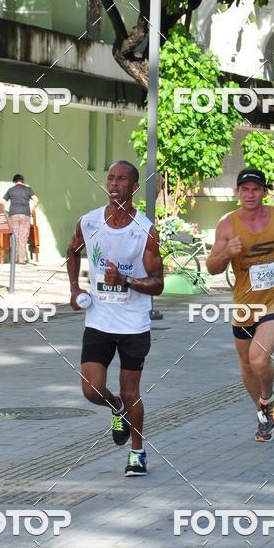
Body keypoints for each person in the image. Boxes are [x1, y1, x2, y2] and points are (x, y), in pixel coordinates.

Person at [67, 161, 164, 476]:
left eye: (122, 179)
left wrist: (127, 281)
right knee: (91, 390)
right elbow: (72, 251)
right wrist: (73, 288)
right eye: (110, 178)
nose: (114, 183)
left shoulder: (145, 231)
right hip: (98, 320)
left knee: (131, 390)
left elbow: (158, 283)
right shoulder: (90, 222)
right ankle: (117, 409)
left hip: (133, 324)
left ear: (134, 188)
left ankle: (137, 452)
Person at [206, 168, 274, 442]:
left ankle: (267, 396)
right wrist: (227, 253)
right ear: (238, 193)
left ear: (264, 192)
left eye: (256, 189)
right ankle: (264, 410)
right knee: (246, 365)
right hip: (244, 302)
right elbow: (212, 267)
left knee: (258, 358)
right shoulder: (227, 225)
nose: (251, 194)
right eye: (245, 189)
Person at [3, 174, 38, 264]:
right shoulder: (28, 189)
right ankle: (21, 260)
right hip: (25, 215)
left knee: (14, 236)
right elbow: (36, 200)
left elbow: (2, 203)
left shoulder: (11, 190)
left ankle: (14, 259)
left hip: (13, 215)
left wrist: (6, 213)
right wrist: (32, 209)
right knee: (23, 237)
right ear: (23, 181)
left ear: (14, 181)